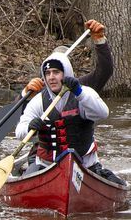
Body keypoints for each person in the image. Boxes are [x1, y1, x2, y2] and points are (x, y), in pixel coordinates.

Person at [15, 38, 122, 185]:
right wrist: (29, 128)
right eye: (48, 73)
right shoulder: (38, 100)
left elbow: (103, 113)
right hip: (46, 165)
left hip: (85, 164)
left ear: (66, 73)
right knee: (26, 181)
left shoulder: (83, 94)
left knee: (120, 186)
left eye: (56, 72)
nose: (51, 77)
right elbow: (19, 132)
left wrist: (79, 92)